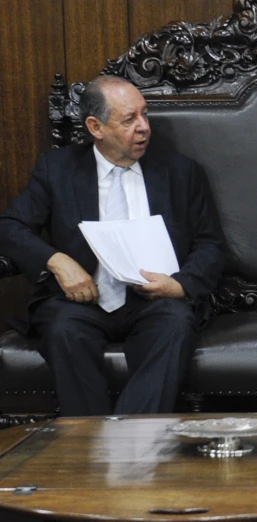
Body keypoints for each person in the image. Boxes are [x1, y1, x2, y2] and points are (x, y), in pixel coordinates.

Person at [0, 75, 225, 417]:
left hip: (156, 299)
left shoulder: (180, 172)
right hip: (81, 300)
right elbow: (10, 227)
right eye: (129, 119)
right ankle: (86, 439)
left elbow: (210, 244)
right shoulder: (57, 170)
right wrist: (58, 261)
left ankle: (128, 441)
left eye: (145, 115)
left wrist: (179, 285)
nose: (144, 128)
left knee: (176, 323)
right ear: (96, 126)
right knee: (63, 329)